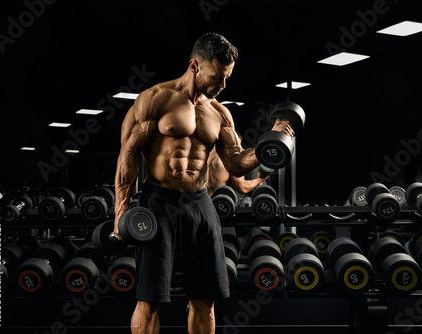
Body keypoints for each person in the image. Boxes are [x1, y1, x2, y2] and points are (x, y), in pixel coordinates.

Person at [113, 32, 294, 334]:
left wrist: (273, 140)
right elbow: (127, 155)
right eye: (217, 76)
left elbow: (237, 161)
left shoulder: (219, 113)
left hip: (201, 203)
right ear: (195, 66)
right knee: (149, 299)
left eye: (227, 78)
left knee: (205, 299)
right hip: (159, 202)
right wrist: (121, 209)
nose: (222, 85)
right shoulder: (155, 99)